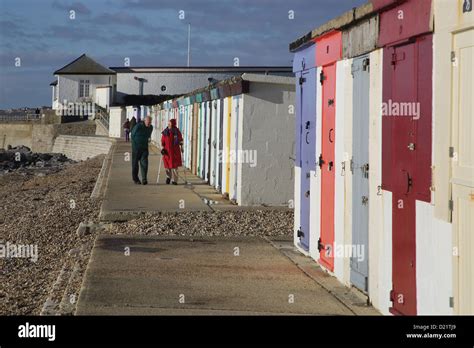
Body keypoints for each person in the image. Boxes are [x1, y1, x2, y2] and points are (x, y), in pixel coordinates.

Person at [131, 116, 153, 185]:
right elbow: (132, 135)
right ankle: (136, 179)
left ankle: (144, 179)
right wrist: (135, 145)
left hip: (144, 148)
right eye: (148, 122)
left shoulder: (150, 127)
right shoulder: (138, 126)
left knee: (145, 164)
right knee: (135, 164)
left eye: (150, 122)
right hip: (136, 148)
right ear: (144, 121)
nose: (149, 123)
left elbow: (149, 135)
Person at [161, 119, 183, 185]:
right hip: (167, 151)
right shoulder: (165, 132)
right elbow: (162, 141)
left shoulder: (177, 131)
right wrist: (162, 148)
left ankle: (175, 180)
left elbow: (180, 140)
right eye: (168, 123)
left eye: (170, 123)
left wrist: (182, 147)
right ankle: (168, 177)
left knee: (174, 166)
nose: (169, 125)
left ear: (173, 124)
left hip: (174, 151)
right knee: (167, 166)